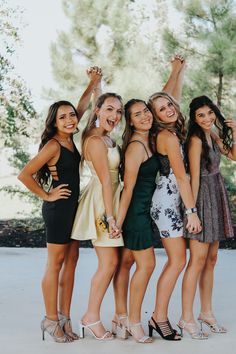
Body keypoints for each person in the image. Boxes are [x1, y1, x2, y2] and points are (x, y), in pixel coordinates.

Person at [17, 67, 102, 343]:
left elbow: (79, 107)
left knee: (72, 262)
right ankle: (50, 319)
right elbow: (25, 174)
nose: (69, 119)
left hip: (72, 209)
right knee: (55, 264)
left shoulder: (70, 138)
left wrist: (92, 84)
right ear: (54, 123)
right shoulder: (54, 145)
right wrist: (47, 195)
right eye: (62, 117)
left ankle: (64, 316)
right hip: (58, 210)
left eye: (71, 116)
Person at [112, 56, 188, 343]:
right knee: (146, 266)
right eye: (138, 115)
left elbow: (167, 98)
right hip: (136, 214)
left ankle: (122, 317)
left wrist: (176, 71)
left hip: (144, 211)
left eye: (146, 111)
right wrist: (117, 222)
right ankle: (134, 322)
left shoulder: (150, 135)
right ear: (130, 122)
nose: (145, 116)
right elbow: (128, 189)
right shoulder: (135, 147)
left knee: (129, 263)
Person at [147, 80, 202, 339]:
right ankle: (159, 317)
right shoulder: (167, 136)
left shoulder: (169, 130)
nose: (168, 109)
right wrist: (191, 211)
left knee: (176, 261)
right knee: (177, 261)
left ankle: (159, 316)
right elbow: (182, 178)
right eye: (161, 109)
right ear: (155, 117)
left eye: (169, 105)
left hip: (172, 200)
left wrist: (178, 71)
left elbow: (170, 97)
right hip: (167, 203)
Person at [178, 95, 236, 338]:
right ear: (193, 117)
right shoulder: (194, 140)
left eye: (210, 113)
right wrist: (192, 213)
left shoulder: (211, 133)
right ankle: (186, 318)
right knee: (197, 261)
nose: (207, 118)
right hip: (201, 198)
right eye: (201, 115)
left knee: (211, 260)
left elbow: (233, 155)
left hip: (215, 193)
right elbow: (194, 177)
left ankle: (206, 312)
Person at [71, 92, 124, 341]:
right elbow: (104, 180)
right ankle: (90, 316)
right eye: (110, 110)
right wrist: (111, 218)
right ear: (98, 111)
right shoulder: (94, 140)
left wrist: (97, 84)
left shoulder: (107, 138)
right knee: (108, 263)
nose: (115, 116)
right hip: (102, 204)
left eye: (119, 112)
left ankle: (111, 315)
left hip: (112, 197)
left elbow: (112, 179)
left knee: (113, 263)